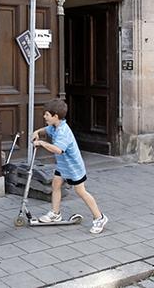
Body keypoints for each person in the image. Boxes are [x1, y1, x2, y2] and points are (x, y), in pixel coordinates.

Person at [32, 99, 108, 234]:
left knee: (81, 191)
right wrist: (37, 132)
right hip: (62, 165)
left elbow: (58, 149)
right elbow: (46, 130)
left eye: (46, 115)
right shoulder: (55, 126)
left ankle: (99, 217)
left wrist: (42, 143)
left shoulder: (63, 132)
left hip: (73, 167)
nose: (44, 117)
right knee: (56, 185)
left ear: (55, 116)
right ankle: (55, 213)